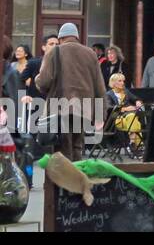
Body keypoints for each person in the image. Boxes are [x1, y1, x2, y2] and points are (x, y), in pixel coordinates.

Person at [33, 22, 106, 161]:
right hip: (84, 109)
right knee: (77, 147)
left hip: (60, 107)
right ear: (77, 37)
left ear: (60, 38)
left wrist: (37, 80)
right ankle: (78, 179)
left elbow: (44, 82)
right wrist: (100, 114)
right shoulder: (90, 54)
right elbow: (100, 87)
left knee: (62, 149)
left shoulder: (54, 52)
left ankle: (65, 181)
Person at [104, 74, 144, 152]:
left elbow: (136, 98)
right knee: (133, 118)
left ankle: (132, 143)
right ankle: (138, 145)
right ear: (113, 83)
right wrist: (125, 109)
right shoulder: (108, 95)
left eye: (123, 81)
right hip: (116, 121)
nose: (123, 83)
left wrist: (137, 101)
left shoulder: (126, 91)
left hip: (128, 121)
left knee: (132, 117)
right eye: (120, 81)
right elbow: (109, 108)